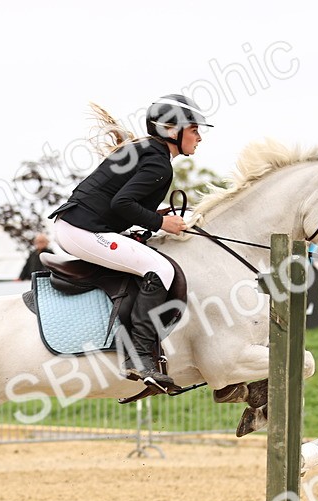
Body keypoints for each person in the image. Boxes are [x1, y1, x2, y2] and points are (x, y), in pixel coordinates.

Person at [49, 94, 211, 391]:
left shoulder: (148, 151)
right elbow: (122, 203)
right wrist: (162, 223)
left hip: (81, 225)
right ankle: (137, 356)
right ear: (172, 131)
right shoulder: (158, 163)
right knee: (160, 269)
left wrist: (156, 216)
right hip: (81, 229)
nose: (200, 137)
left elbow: (121, 203)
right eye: (195, 130)